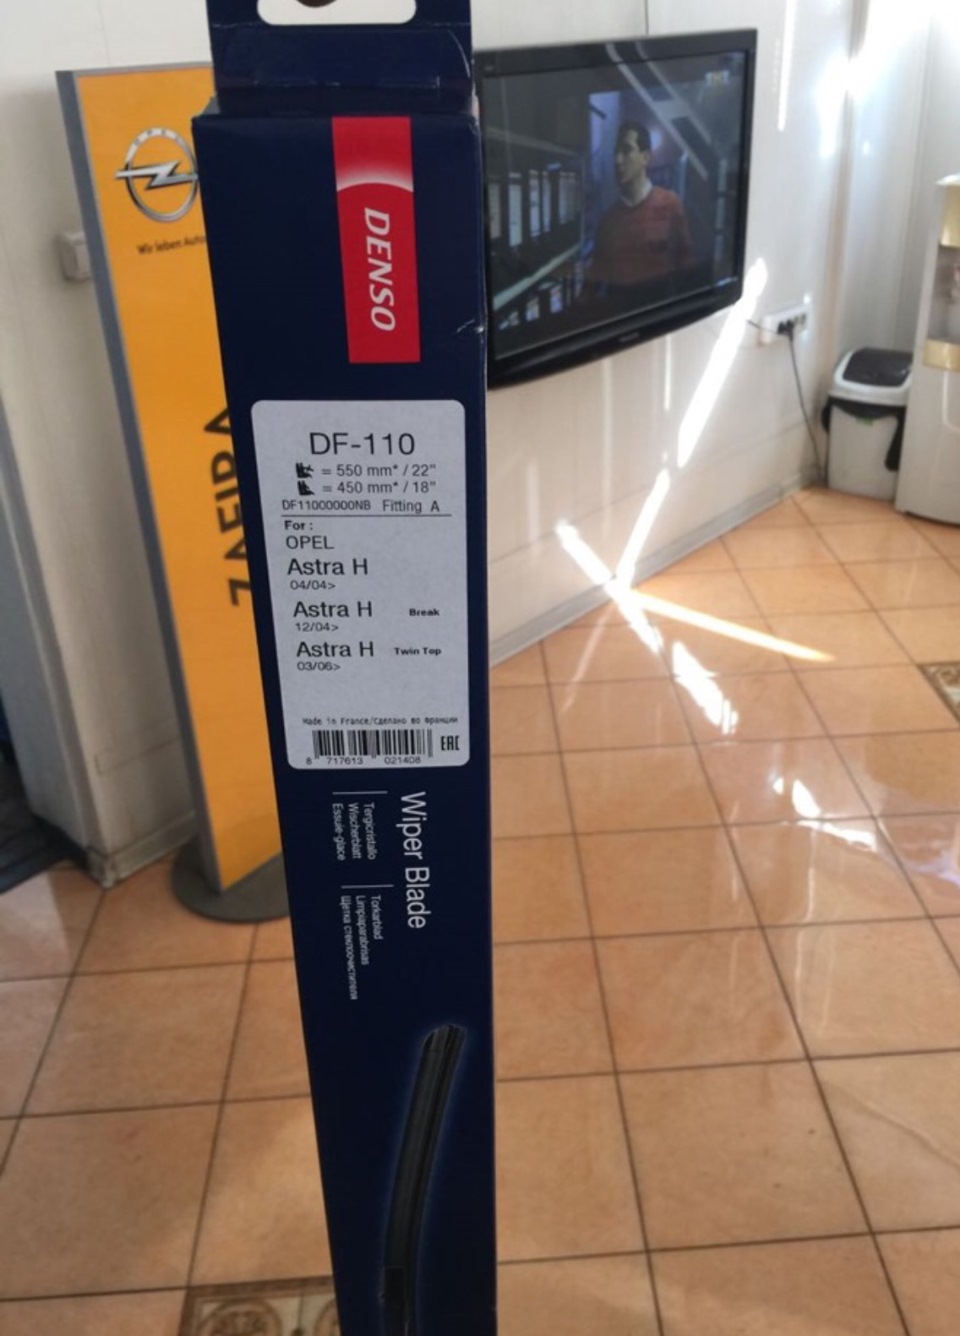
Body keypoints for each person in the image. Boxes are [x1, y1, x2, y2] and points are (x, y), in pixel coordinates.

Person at [588, 122, 692, 289]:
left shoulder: (670, 204)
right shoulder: (607, 222)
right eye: (616, 152)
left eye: (627, 150)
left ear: (646, 158)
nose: (618, 160)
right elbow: (593, 281)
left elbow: (686, 266)